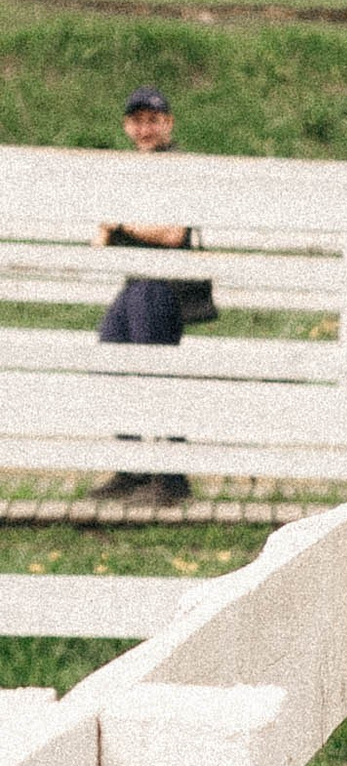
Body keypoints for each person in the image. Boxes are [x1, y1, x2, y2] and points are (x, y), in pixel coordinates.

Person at [95, 84, 213, 501]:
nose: (145, 128)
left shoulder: (176, 166)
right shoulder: (129, 170)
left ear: (168, 123)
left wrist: (121, 225)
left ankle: (172, 478)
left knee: (156, 373)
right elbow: (100, 234)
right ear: (128, 126)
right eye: (138, 120)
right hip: (134, 282)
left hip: (162, 283)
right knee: (111, 356)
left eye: (153, 120)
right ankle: (131, 466)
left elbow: (170, 233)